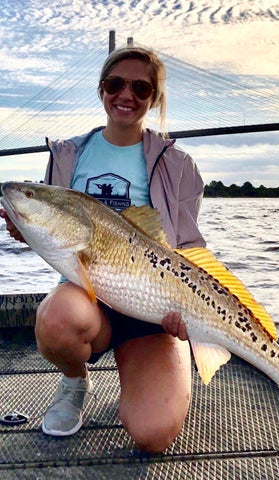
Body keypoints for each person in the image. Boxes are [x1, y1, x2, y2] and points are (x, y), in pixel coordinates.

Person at [0, 46, 206, 453]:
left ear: (155, 97)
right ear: (101, 90)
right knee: (57, 318)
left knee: (153, 434)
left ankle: (158, 371)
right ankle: (76, 379)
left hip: (153, 308)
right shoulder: (68, 154)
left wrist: (188, 315)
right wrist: (27, 230)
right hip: (86, 297)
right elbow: (60, 233)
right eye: (115, 84)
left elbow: (187, 249)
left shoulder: (178, 164)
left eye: (141, 87)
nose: (126, 94)